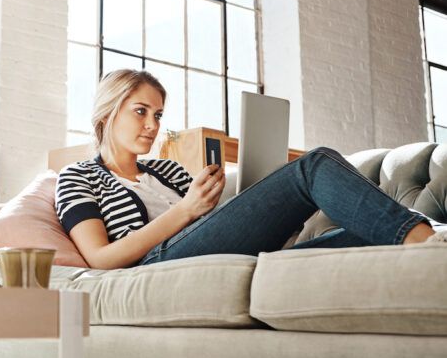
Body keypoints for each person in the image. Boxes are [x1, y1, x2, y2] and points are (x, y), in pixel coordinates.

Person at [55, 69, 444, 270]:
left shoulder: (167, 170)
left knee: (369, 232)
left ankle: (426, 238)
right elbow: (100, 258)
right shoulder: (78, 177)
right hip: (156, 260)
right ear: (108, 112)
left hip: (213, 248)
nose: (153, 125)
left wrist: (252, 204)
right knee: (313, 166)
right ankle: (431, 248)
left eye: (157, 114)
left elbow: (220, 225)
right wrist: (185, 210)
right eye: (140, 112)